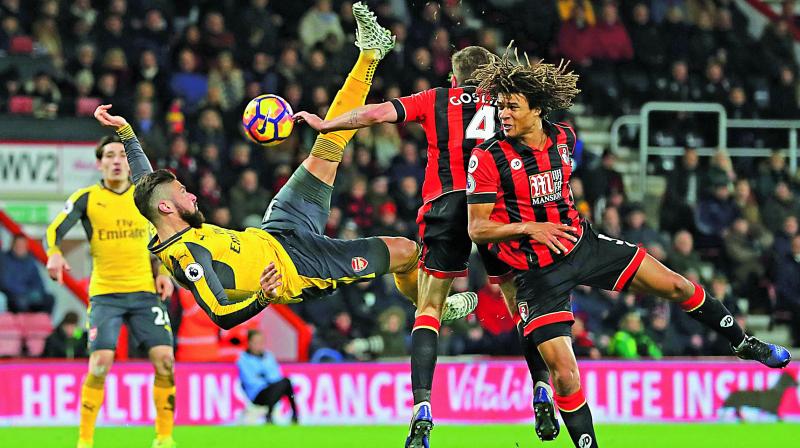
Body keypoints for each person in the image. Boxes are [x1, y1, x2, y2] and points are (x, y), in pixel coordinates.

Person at [466, 44, 791, 448]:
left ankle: (743, 343)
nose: (504, 114)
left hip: (583, 245)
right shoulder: (488, 156)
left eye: (512, 106)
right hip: (538, 272)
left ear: (537, 109)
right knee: (566, 373)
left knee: (677, 286)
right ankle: (567, 419)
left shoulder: (565, 139)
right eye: (501, 107)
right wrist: (531, 227)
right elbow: (478, 229)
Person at [93, 4, 472, 341]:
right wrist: (262, 297)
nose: (191, 194)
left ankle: (370, 51)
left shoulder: (159, 213)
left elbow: (146, 183)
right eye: (182, 194)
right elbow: (219, 312)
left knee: (329, 142)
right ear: (167, 209)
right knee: (407, 252)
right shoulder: (187, 256)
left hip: (277, 228)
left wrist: (126, 133)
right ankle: (434, 307)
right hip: (301, 267)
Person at [294, 44, 552, 447]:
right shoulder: (507, 105)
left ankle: (423, 410)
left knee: (429, 308)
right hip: (497, 211)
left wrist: (327, 126)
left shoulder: (436, 99)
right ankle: (541, 389)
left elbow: (376, 113)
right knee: (521, 305)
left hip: (447, 204)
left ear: (454, 78)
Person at [45, 133, 176, 448]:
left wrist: (162, 272)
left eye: (121, 155)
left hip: (145, 292)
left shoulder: (144, 198)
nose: (117, 161)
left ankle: (164, 437)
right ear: (99, 163)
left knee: (165, 360)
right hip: (106, 294)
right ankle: (86, 440)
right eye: (110, 156)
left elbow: (162, 237)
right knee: (100, 362)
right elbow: (55, 229)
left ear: (129, 164)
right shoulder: (87, 198)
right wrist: (54, 251)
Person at [237, 330, 298, 423]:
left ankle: (294, 415)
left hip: (271, 390)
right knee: (284, 383)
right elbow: (250, 381)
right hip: (257, 394)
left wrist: (264, 378)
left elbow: (277, 375)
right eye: (256, 342)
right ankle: (271, 414)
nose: (259, 345)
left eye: (261, 342)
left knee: (286, 382)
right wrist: (267, 380)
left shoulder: (268, 356)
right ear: (249, 343)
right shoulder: (243, 360)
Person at [0, 234, 53, 313]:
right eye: (18, 245)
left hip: (29, 295)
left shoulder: (30, 260)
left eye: (22, 245)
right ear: (12, 245)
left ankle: (42, 324)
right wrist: (25, 292)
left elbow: (38, 281)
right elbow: (5, 283)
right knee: (20, 302)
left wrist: (36, 293)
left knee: (49, 299)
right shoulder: (4, 259)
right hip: (13, 296)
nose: (20, 247)